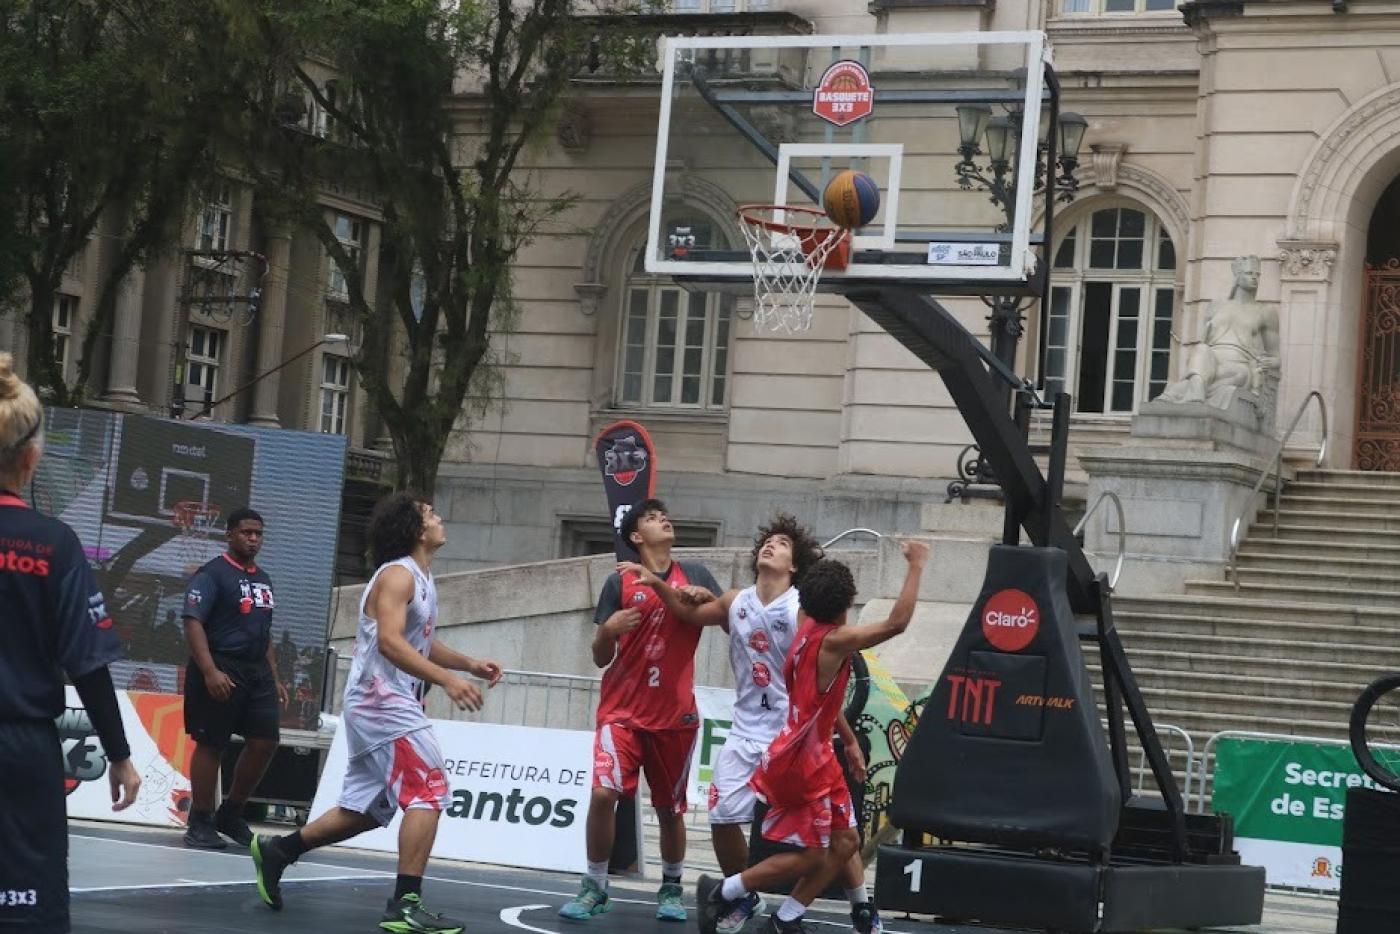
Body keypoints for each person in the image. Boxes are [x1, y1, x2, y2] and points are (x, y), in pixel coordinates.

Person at [251, 492, 503, 934]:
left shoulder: (420, 577)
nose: (440, 519)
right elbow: (390, 641)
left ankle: (279, 851)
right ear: (414, 529)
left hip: (383, 703)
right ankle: (405, 904)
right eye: (431, 514)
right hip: (382, 703)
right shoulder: (398, 577)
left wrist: (467, 665)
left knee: (368, 809)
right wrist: (446, 680)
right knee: (429, 790)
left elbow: (419, 640)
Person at [626, 514, 881, 934]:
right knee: (722, 817)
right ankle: (745, 895)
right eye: (768, 541)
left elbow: (819, 686)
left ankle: (856, 908)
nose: (770, 546)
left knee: (837, 830)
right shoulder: (735, 601)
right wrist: (660, 586)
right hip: (745, 731)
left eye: (782, 544)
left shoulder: (802, 608)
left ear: (795, 565)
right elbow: (689, 616)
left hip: (792, 737)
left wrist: (846, 738)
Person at [698, 540, 929, 934]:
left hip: (813, 749)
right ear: (846, 605)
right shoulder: (833, 641)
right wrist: (916, 566)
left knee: (845, 842)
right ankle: (728, 890)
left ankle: (796, 917)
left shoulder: (803, 630)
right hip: (802, 760)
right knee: (812, 856)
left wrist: (850, 740)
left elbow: (820, 702)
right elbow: (897, 623)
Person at [0, 352, 141, 934]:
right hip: (22, 751)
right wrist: (120, 754)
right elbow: (87, 663)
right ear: (32, 458)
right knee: (29, 910)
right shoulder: (53, 545)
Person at [558, 498, 722, 923]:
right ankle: (595, 884)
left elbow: (719, 618)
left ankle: (671, 886)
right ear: (635, 536)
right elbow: (599, 657)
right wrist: (608, 631)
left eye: (664, 515)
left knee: (670, 809)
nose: (664, 520)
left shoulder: (697, 575)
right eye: (651, 518)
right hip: (622, 712)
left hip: (674, 716)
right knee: (601, 793)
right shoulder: (620, 582)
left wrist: (705, 597)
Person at [180, 506, 289, 849]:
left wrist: (274, 675)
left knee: (265, 741)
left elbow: (263, 630)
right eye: (246, 532)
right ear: (229, 535)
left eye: (258, 533)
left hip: (257, 671)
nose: (253, 538)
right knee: (212, 743)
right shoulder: (212, 574)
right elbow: (192, 620)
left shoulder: (264, 578)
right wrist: (210, 670)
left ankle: (231, 813)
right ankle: (200, 820)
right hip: (221, 665)